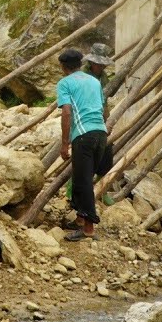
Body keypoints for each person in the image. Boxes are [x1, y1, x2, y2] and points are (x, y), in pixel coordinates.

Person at [57, 48, 110, 242]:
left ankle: (88, 228)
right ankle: (80, 219)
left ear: (63, 67)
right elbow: (103, 108)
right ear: (81, 63)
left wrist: (64, 144)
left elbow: (67, 113)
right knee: (85, 177)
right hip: (101, 133)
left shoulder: (65, 83)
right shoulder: (95, 82)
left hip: (83, 135)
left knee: (83, 181)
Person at [84, 43, 114, 119]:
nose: (102, 67)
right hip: (87, 113)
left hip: (102, 112)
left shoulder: (103, 75)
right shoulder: (83, 75)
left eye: (103, 64)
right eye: (99, 64)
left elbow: (109, 92)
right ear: (91, 62)